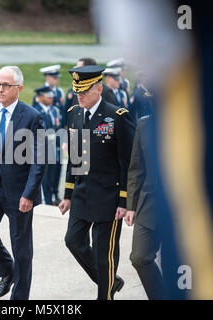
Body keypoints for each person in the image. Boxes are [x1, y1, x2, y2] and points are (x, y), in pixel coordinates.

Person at [58, 65, 135, 300]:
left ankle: (105, 295)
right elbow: (75, 158)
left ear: (99, 88)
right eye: (76, 91)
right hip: (82, 193)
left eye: (84, 91)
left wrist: (125, 200)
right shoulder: (74, 113)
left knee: (104, 255)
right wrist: (68, 195)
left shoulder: (117, 117)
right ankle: (110, 280)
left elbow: (128, 164)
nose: (78, 95)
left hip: (109, 199)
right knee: (73, 240)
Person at [0, 66, 46, 300]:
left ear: (19, 89)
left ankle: (19, 300)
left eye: (5, 85)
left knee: (21, 248)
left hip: (20, 193)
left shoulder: (33, 116)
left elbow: (39, 161)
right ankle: (7, 270)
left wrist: (29, 194)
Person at [125, 114, 163, 299]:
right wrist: (131, 206)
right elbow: (136, 168)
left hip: (184, 206)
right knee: (139, 257)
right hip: (150, 203)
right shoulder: (144, 124)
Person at [34, 85, 57, 205]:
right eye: (48, 96)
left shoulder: (52, 110)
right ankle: (43, 200)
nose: (51, 99)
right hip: (42, 150)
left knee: (52, 177)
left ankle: (49, 199)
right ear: (40, 97)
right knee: (44, 177)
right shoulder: (37, 111)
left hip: (52, 148)